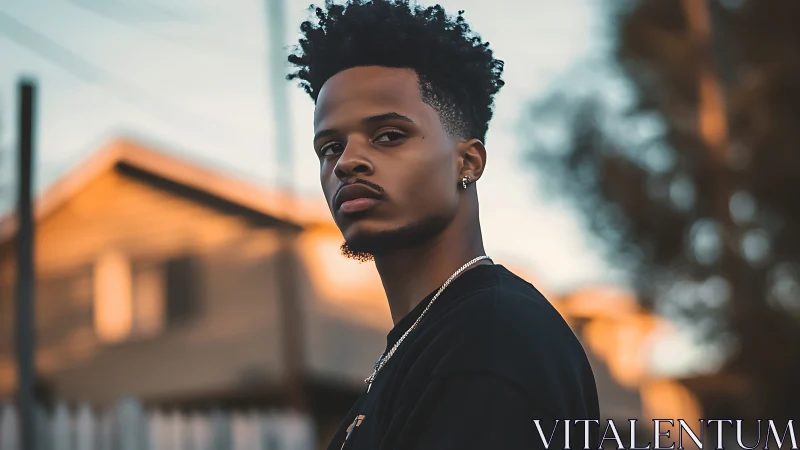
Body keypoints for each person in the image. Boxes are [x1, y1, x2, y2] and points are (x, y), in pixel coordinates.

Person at [286, 1, 601, 448]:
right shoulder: (429, 342)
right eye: (330, 147)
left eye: (388, 136)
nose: (347, 163)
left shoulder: (490, 340)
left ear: (467, 162)